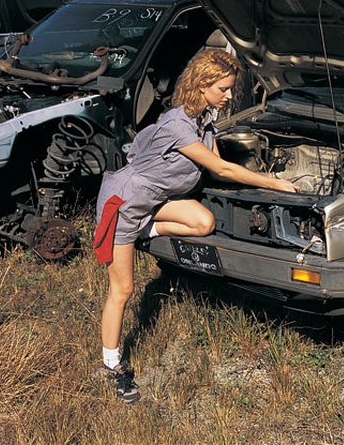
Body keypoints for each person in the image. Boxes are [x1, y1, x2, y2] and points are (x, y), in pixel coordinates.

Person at [93, 48, 298, 404]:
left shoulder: (204, 120)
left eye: (231, 89)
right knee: (122, 290)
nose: (230, 96)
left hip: (152, 203)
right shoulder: (177, 124)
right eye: (224, 89)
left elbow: (217, 161)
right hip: (124, 205)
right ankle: (112, 366)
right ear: (202, 86)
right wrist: (272, 183)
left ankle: (148, 230)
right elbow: (221, 170)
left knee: (202, 222)